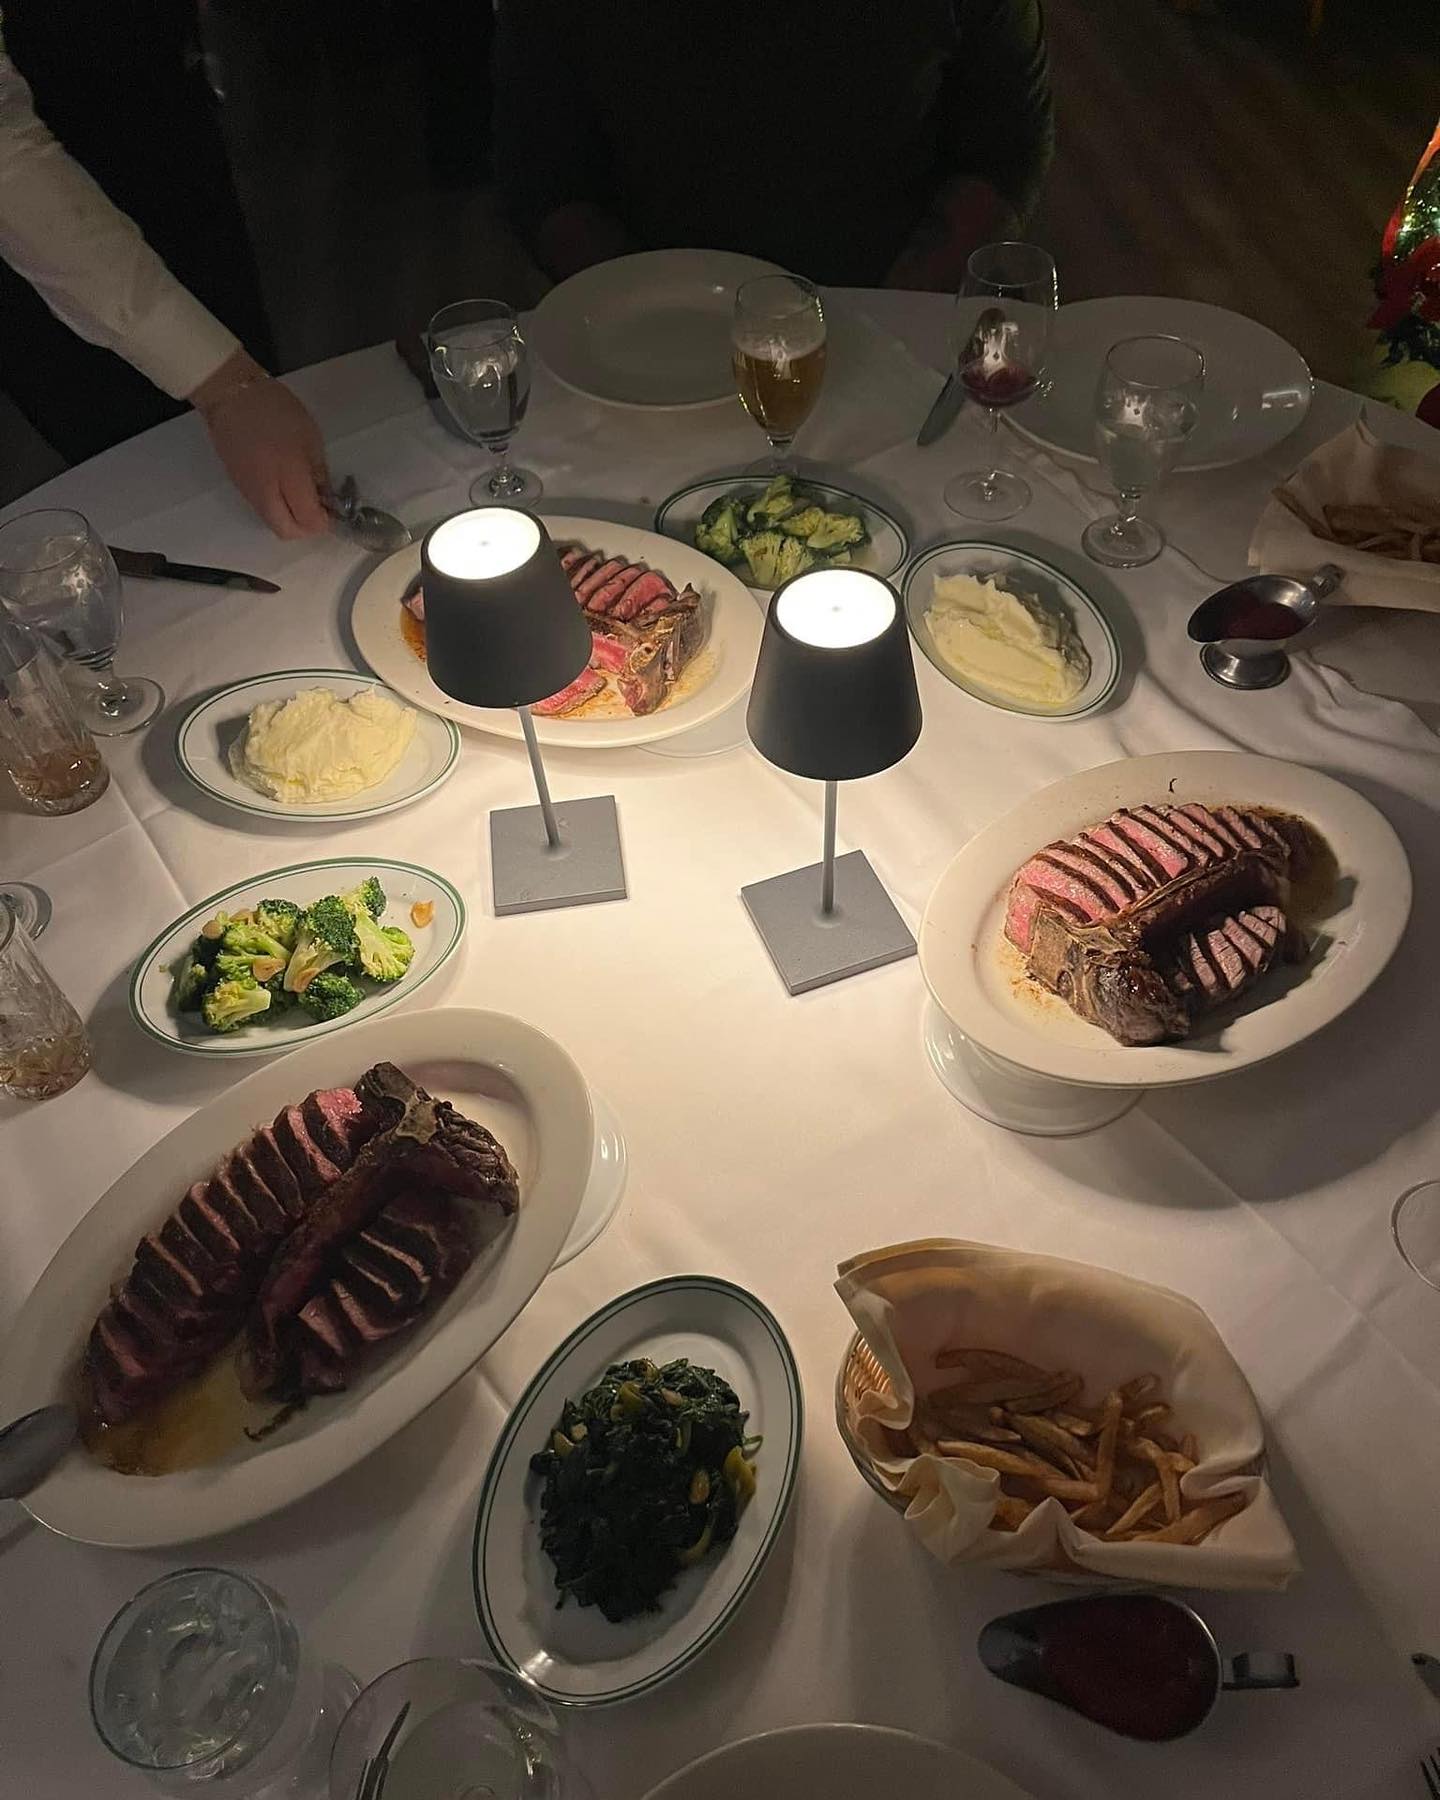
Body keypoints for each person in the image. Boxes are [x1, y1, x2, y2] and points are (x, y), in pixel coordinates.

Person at [0, 8, 328, 538]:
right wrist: (226, 385)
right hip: (44, 230)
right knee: (150, 466)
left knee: (272, 460)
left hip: (162, 111)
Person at [492, 0, 1054, 292]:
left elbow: (1004, 150)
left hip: (895, 314)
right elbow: (544, 175)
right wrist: (653, 318)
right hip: (652, 325)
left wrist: (889, 317)